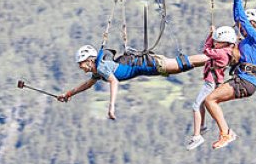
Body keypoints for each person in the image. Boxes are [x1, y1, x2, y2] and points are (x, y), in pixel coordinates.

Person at [203, 0, 256, 149]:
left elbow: (240, 20)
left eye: (246, 26)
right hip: (245, 81)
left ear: (253, 24)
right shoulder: (248, 43)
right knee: (211, 100)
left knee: (210, 100)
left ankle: (226, 133)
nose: (241, 29)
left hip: (244, 81)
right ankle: (225, 132)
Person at [58, 47, 207, 120]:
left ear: (90, 60)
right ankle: (215, 57)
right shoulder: (98, 70)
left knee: (181, 64)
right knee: (182, 66)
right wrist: (69, 94)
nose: (80, 67)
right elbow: (87, 84)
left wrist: (111, 106)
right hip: (147, 66)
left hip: (147, 64)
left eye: (81, 64)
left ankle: (215, 56)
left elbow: (114, 82)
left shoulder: (102, 67)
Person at [186, 25, 239, 150]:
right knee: (201, 104)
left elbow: (206, 50)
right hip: (212, 82)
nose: (215, 43)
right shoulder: (226, 50)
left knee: (196, 106)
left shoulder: (221, 53)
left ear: (226, 43)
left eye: (217, 42)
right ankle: (202, 126)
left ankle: (197, 136)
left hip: (211, 83)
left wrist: (210, 36)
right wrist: (212, 35)